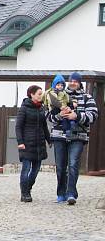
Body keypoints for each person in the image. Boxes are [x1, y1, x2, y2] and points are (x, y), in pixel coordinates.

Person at [46, 72, 99, 205]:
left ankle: (71, 194)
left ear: (80, 83)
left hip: (78, 136)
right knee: (60, 167)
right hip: (59, 135)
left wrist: (77, 116)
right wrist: (60, 115)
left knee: (73, 165)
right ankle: (61, 194)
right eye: (71, 80)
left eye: (76, 81)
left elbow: (93, 116)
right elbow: (48, 116)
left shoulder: (87, 98)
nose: (73, 82)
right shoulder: (58, 94)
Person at [16, 85, 51, 202]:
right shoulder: (24, 108)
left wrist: (49, 140)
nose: (41, 96)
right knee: (26, 169)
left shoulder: (42, 108)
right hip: (27, 144)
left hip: (39, 144)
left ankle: (28, 188)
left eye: (42, 93)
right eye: (39, 93)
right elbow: (18, 127)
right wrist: (20, 142)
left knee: (35, 171)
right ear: (32, 94)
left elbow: (44, 126)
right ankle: (24, 193)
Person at [43, 75, 77, 139]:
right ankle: (66, 129)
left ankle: (71, 125)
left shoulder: (64, 93)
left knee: (68, 114)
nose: (60, 87)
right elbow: (54, 101)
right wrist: (61, 106)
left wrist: (73, 102)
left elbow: (69, 98)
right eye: (58, 85)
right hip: (54, 108)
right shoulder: (51, 92)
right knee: (63, 117)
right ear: (54, 85)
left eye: (62, 85)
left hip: (63, 107)